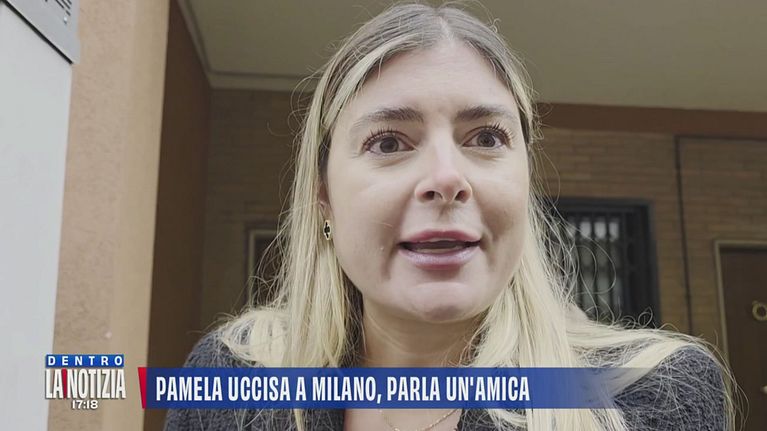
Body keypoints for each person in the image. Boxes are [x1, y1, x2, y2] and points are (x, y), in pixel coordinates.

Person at [165, 2, 735, 430]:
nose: (446, 178)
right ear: (324, 198)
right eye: (388, 142)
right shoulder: (228, 386)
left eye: (486, 138)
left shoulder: (650, 396)